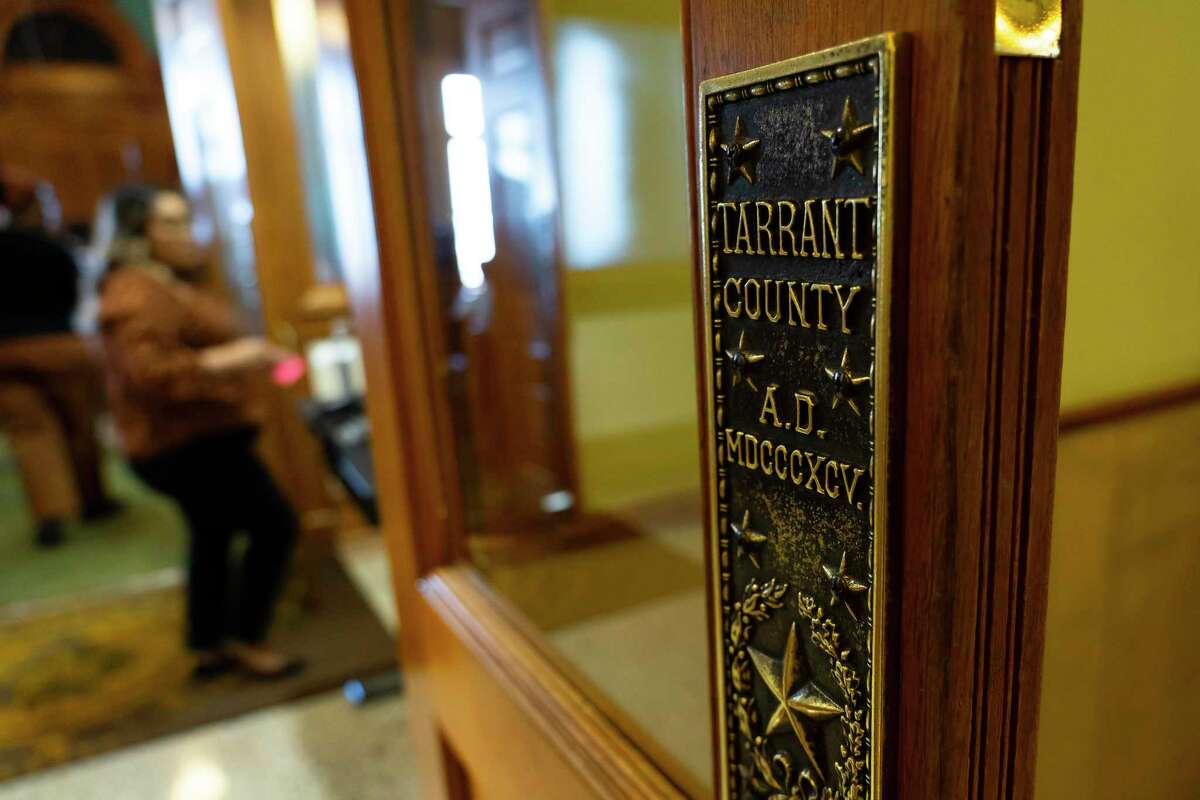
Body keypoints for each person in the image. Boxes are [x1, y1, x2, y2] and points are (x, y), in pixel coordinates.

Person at [96, 185, 303, 680]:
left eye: (186, 220)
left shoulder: (157, 282)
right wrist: (237, 356)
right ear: (139, 233)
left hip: (198, 436)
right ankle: (245, 638)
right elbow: (150, 374)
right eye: (171, 223)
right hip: (187, 444)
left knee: (212, 533)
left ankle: (208, 641)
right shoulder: (136, 290)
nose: (186, 234)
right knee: (274, 525)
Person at [0, 168, 121, 547]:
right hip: (60, 346)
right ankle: (92, 499)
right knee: (79, 425)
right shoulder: (57, 248)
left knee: (30, 433)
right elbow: (77, 300)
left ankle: (51, 513)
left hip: (6, 353)